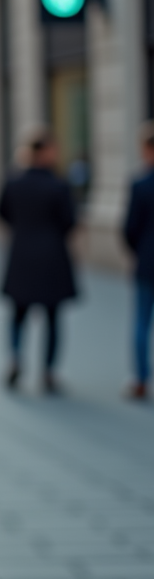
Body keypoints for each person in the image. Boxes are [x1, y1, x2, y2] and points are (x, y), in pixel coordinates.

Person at [0, 131, 77, 394]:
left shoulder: (14, 182)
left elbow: (1, 211)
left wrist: (22, 229)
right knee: (52, 316)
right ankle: (49, 372)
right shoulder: (58, 185)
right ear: (44, 152)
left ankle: (16, 357)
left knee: (18, 314)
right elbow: (69, 221)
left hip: (21, 254)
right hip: (52, 256)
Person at [122, 122, 154, 401]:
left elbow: (129, 229)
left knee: (142, 321)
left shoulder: (140, 184)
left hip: (147, 261)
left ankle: (142, 379)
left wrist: (139, 251)